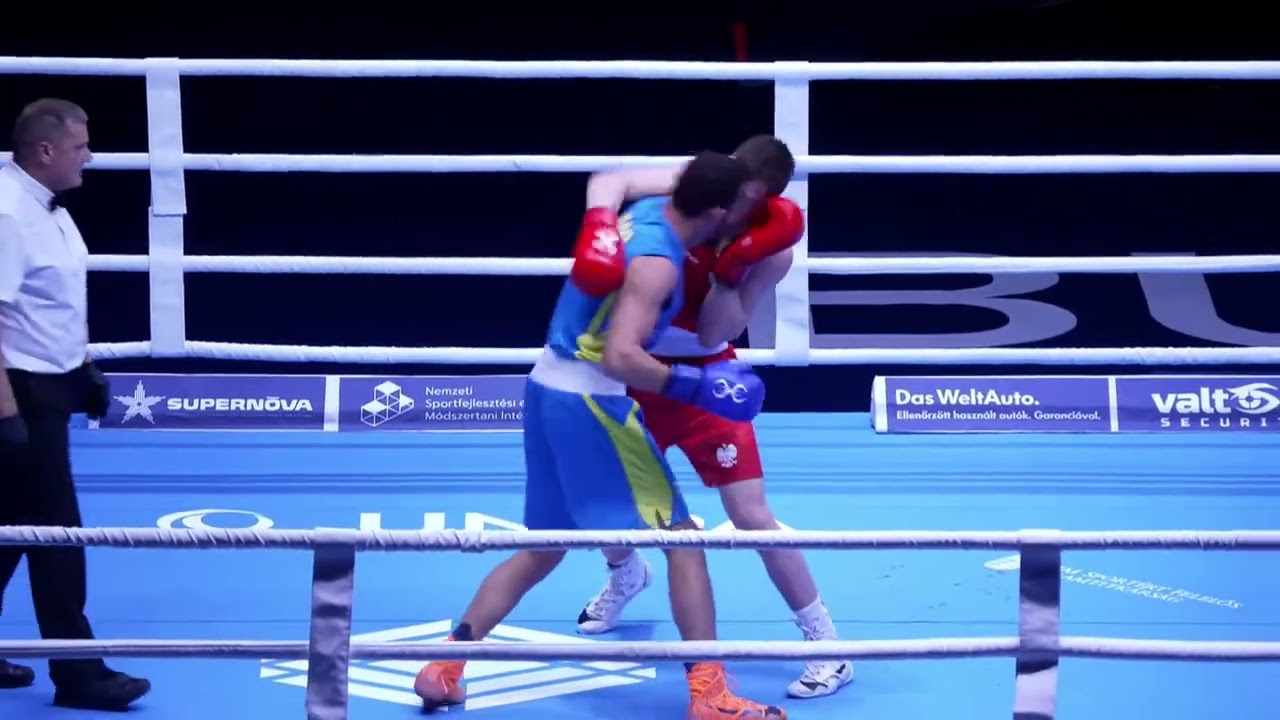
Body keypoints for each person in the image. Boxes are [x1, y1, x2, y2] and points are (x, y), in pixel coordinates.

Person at [413, 151, 786, 719]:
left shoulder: (644, 212)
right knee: (684, 542)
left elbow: (611, 181)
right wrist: (694, 387)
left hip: (545, 386)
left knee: (542, 547)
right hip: (591, 402)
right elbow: (619, 357)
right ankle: (710, 695)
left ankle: (445, 665)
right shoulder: (657, 261)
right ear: (717, 212)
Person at [573, 135, 854, 700]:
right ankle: (626, 574)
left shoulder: (772, 250)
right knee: (601, 497)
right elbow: (610, 180)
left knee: (751, 515)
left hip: (707, 380)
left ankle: (827, 645)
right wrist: (600, 228)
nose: (728, 206)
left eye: (743, 200)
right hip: (634, 370)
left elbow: (714, 333)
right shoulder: (692, 184)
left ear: (765, 199)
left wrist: (730, 271)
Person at [0, 98, 152, 710]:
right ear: (46, 151)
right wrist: (5, 414)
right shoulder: (8, 212)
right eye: (80, 146)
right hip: (22, 393)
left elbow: (57, 300)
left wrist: (83, 366)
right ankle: (79, 673)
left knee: (15, 526)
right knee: (56, 533)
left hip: (51, 385)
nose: (89, 155)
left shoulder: (48, 207)